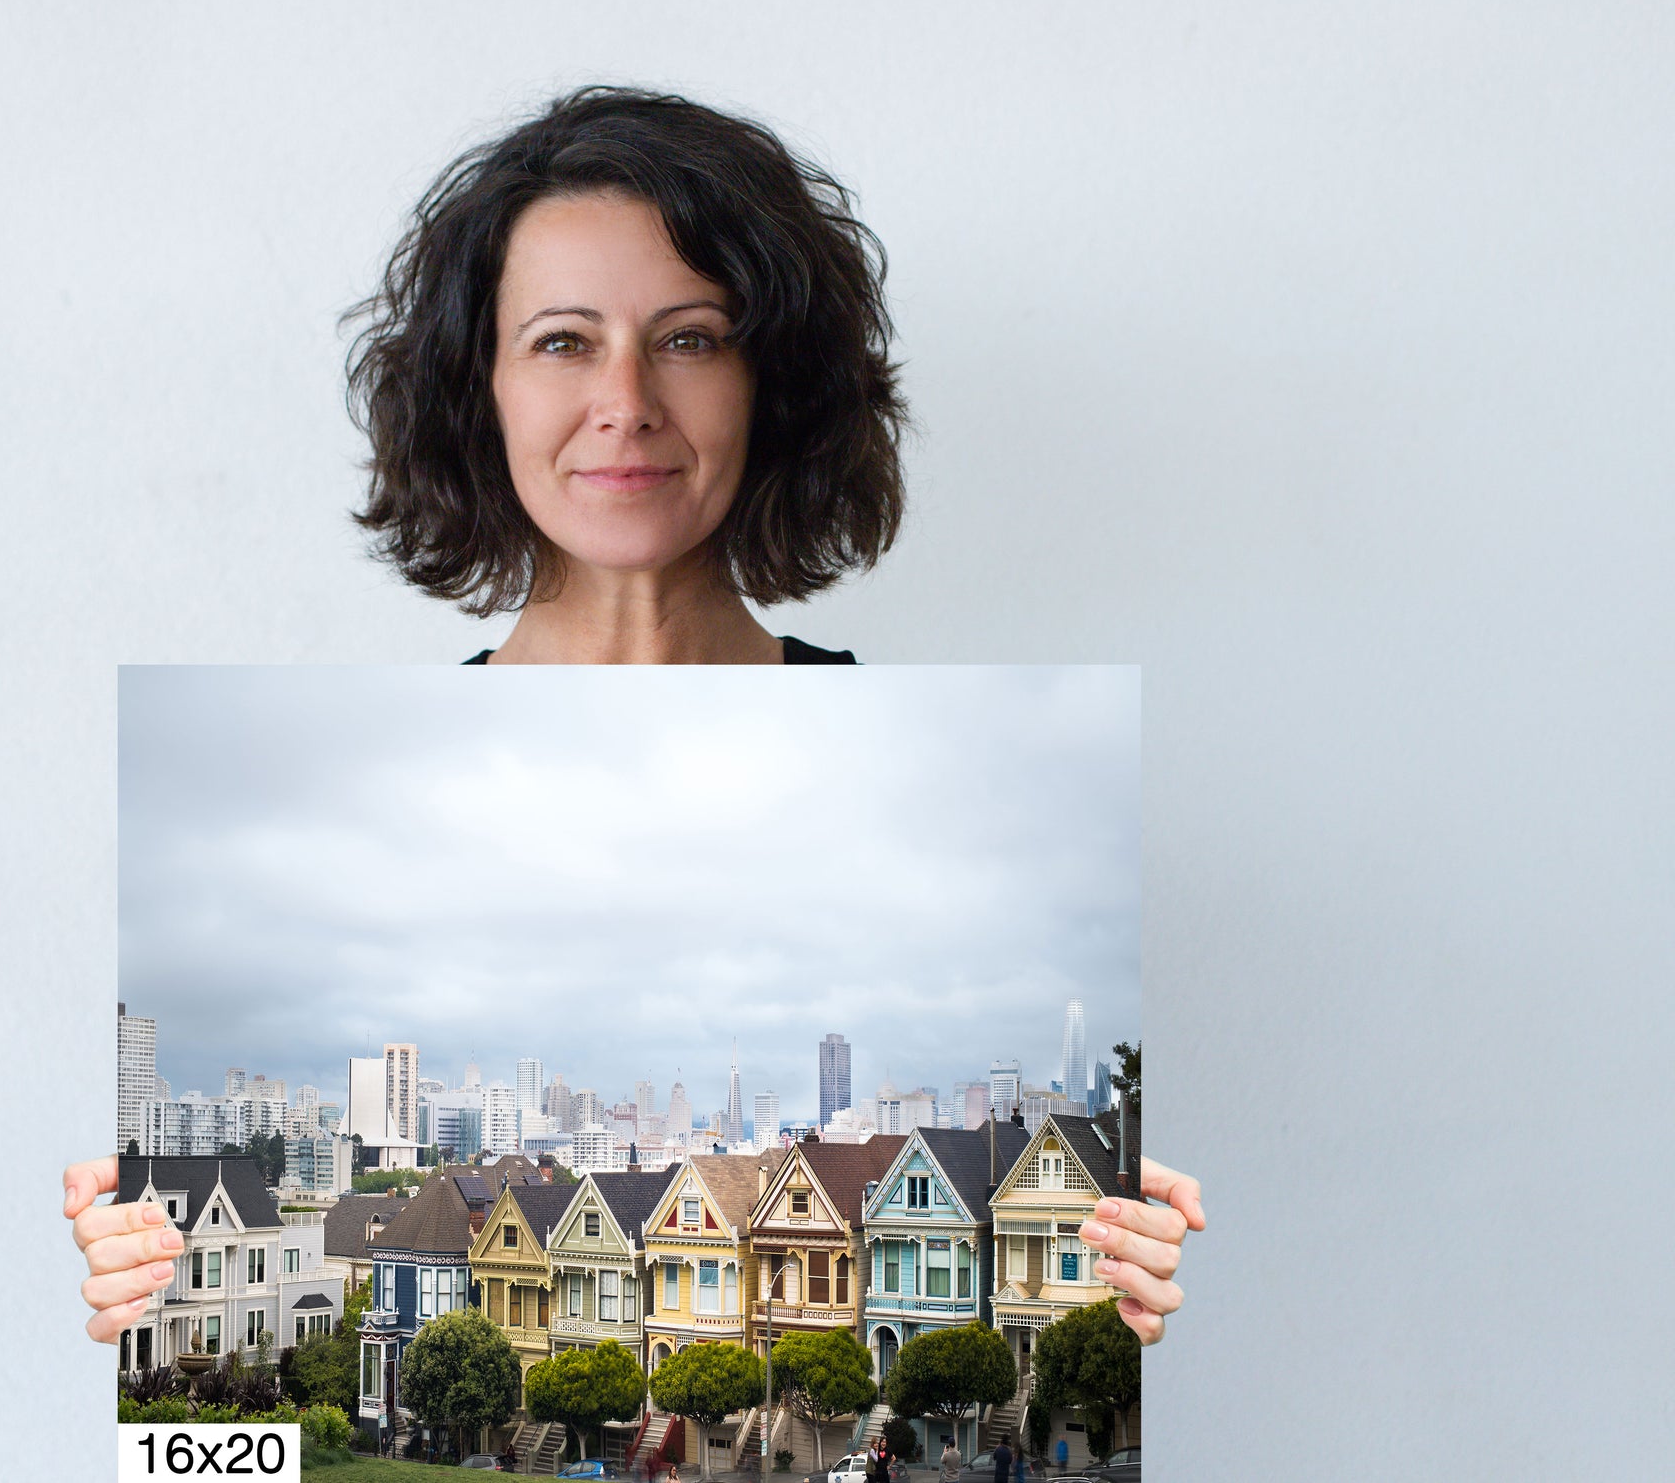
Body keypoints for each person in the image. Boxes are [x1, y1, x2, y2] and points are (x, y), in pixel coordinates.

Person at [59, 81, 1204, 1343]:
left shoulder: (970, 779)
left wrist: (1142, 1268)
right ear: (477, 389)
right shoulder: (334, 807)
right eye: (561, 341)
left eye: (691, 337)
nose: (627, 401)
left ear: (773, 385)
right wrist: (112, 1282)